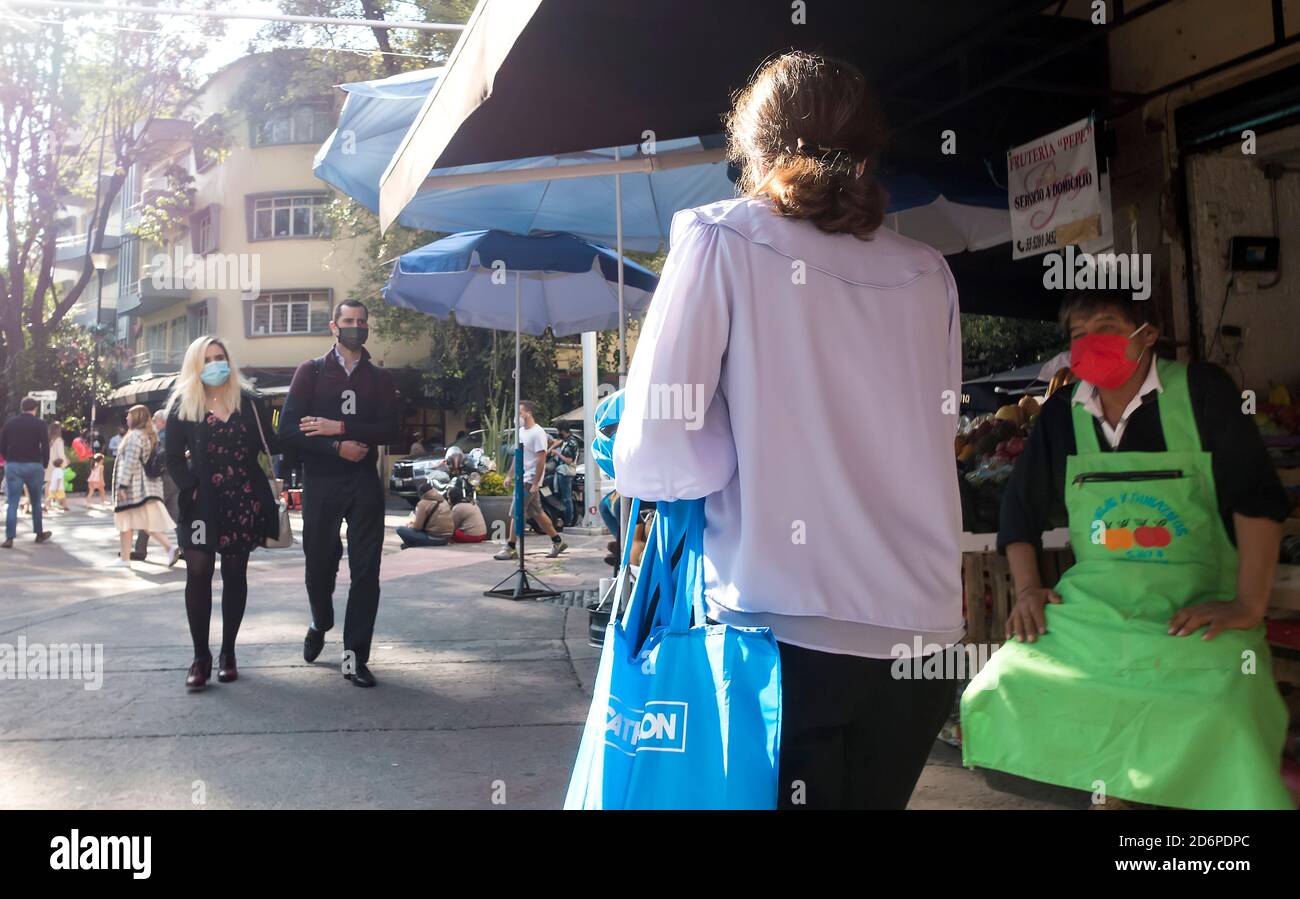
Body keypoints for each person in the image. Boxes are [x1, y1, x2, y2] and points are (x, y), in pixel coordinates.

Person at [612, 52, 964, 809]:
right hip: (921, 632)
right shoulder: (927, 271)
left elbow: (651, 451)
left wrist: (743, 447)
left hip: (780, 631)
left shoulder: (720, 237)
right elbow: (939, 427)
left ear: (755, 149)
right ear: (870, 152)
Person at [961, 291, 1293, 810]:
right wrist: (1027, 590)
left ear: (1148, 333)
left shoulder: (1202, 392)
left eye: (1108, 326)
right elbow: (1018, 512)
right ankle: (1114, 794)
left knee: (1222, 707)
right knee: (1004, 679)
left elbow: (1258, 500)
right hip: (1096, 606)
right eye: (1079, 334)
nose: (1093, 343)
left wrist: (1247, 604)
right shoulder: (1060, 415)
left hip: (1197, 603)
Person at [278, 298, 401, 689]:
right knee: (318, 562)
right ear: (333, 326)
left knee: (367, 571)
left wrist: (341, 429)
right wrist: (334, 447)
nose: (355, 326)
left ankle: (355, 658)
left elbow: (392, 430)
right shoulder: (310, 372)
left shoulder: (380, 378)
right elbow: (288, 431)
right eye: (348, 320)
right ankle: (320, 620)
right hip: (322, 480)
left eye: (361, 321)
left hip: (364, 481)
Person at [166, 336, 281, 691]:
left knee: (235, 574)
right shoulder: (183, 405)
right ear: (195, 366)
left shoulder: (249, 402)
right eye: (208, 359)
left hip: (242, 499)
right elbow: (171, 458)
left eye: (221, 357)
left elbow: (272, 444)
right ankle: (201, 657)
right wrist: (190, 485)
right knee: (198, 573)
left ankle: (228, 652)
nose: (216, 364)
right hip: (201, 504)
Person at [493, 401, 567, 560]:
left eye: (519, 413)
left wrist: (535, 482)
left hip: (529, 479)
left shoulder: (537, 433)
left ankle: (510, 546)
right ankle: (557, 541)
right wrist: (509, 475)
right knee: (537, 513)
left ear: (528, 413)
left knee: (516, 512)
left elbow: (541, 459)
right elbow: (518, 456)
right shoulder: (521, 432)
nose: (517, 417)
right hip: (523, 478)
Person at [109, 404, 179, 570]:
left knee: (129, 521)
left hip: (135, 487)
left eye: (129, 415)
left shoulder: (135, 437)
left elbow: (130, 462)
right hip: (146, 487)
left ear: (137, 417)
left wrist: (122, 486)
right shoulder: (150, 436)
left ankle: (168, 548)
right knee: (135, 521)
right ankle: (127, 557)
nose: (126, 418)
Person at [1, 397, 53, 548]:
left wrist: (8, 458)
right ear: (35, 409)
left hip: (14, 465)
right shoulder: (40, 424)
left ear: (22, 407)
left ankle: (9, 538)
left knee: (12, 502)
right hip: (34, 465)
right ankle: (39, 533)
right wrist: (44, 464)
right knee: (36, 501)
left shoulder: (10, 423)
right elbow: (45, 445)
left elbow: (2, 444)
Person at [132, 410, 179, 562]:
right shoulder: (175, 435)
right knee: (176, 515)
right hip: (175, 478)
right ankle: (185, 547)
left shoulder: (158, 437)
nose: (153, 423)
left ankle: (140, 550)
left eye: (155, 420)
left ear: (161, 422)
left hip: (161, 479)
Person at [549, 424, 581, 526]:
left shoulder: (571, 443)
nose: (558, 433)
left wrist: (557, 453)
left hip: (566, 472)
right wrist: (549, 450)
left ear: (563, 431)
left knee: (566, 498)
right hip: (561, 471)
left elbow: (568, 460)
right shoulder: (567, 440)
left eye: (558, 431)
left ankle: (568, 521)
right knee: (561, 496)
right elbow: (559, 442)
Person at [43, 422, 67, 513]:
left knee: (48, 484)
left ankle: (47, 503)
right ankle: (60, 503)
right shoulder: (59, 440)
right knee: (58, 484)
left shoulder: (48, 440)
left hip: (48, 464)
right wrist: (64, 464)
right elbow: (61, 454)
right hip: (56, 464)